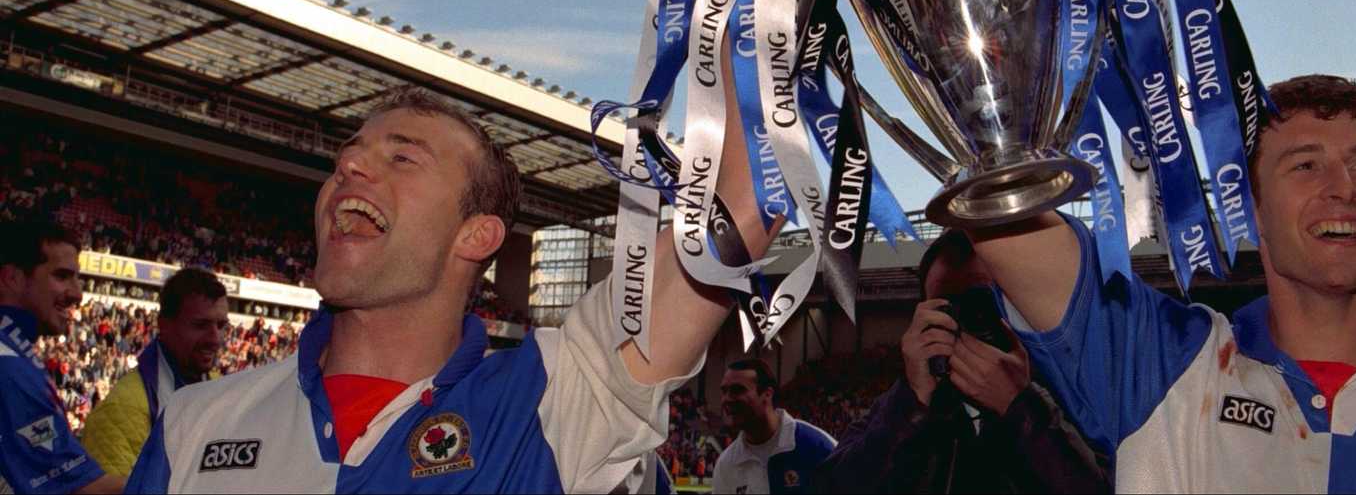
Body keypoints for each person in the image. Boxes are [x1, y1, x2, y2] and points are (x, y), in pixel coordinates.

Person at [126, 84, 787, 492]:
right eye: (348, 155)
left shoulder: (550, 402)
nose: (349, 163)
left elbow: (750, 200)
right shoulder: (196, 421)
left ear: (476, 234)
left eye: (402, 156)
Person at [966, 74, 1356, 492]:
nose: (1344, 185)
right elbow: (1003, 217)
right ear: (1252, 211)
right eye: (1306, 164)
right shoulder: (1166, 366)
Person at [810, 228, 1112, 493]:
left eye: (983, 301)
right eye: (949, 306)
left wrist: (1020, 407)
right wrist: (911, 404)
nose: (970, 318)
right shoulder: (900, 407)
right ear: (924, 314)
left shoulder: (1078, 399)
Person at [0, 218, 125, 494]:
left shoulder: (14, 352)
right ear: (12, 278)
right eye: (61, 276)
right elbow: (83, 490)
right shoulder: (10, 367)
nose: (78, 294)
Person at [81, 268, 229, 477]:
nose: (215, 339)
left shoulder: (218, 387)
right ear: (164, 324)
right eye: (200, 325)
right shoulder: (122, 409)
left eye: (221, 325)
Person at [712, 358, 835, 494]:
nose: (727, 399)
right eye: (724, 391)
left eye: (737, 390)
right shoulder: (727, 465)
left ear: (767, 394)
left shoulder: (818, 446)